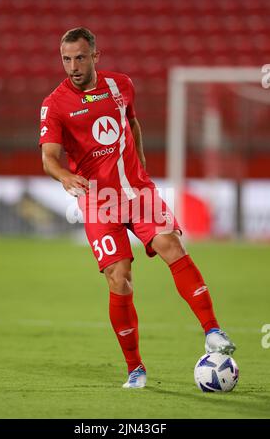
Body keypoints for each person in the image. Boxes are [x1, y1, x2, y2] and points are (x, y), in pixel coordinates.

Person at [39, 27, 236, 389]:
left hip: (137, 192)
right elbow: (49, 157)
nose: (73, 66)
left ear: (95, 56)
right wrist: (64, 176)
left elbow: (132, 121)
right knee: (120, 279)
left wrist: (141, 163)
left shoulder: (120, 85)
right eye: (66, 59)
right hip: (99, 202)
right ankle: (136, 368)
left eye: (80, 57)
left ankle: (212, 331)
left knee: (171, 245)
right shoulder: (54, 104)